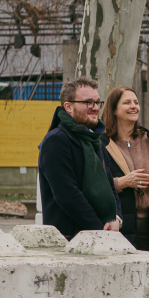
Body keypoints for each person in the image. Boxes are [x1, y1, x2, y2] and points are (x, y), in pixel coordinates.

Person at [38, 77, 122, 240]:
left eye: (98, 102)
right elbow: (67, 196)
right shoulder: (56, 141)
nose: (95, 108)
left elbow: (110, 186)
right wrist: (99, 229)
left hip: (101, 236)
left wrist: (115, 218)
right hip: (68, 240)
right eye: (88, 103)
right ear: (68, 107)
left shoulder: (95, 140)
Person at [100, 86, 149, 253]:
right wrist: (122, 183)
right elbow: (92, 186)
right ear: (113, 110)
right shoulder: (100, 143)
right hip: (117, 228)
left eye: (136, 102)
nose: (134, 106)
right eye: (127, 102)